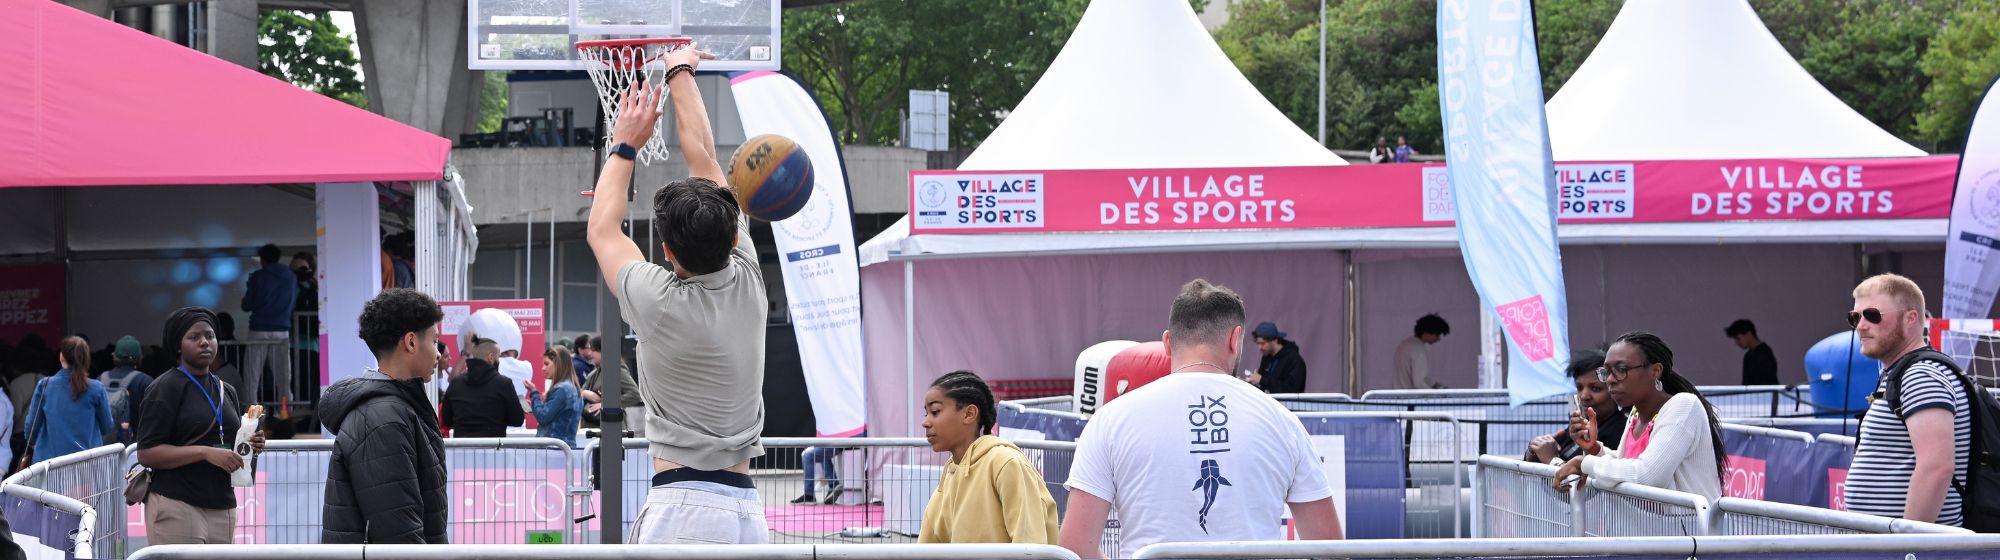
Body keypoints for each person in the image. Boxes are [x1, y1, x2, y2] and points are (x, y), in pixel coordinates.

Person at [583, 46, 771, 544]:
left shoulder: (658, 300)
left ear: (665, 250)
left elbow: (603, 229)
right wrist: (680, 69)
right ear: (734, 238)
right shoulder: (748, 277)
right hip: (748, 512)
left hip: (684, 504)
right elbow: (704, 160)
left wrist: (624, 144)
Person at [1059, 279, 1342, 559]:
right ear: (1235, 339)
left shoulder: (1111, 420)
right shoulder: (1282, 421)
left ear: (1167, 342)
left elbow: (1075, 547)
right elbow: (1330, 549)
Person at [319, 288, 449, 544]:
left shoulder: (394, 407)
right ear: (411, 342)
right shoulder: (383, 417)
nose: (438, 353)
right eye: (434, 341)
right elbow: (398, 534)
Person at [1846, 274, 1973, 526]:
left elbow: (1936, 468)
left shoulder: (1921, 376)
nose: (1860, 326)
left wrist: (1908, 546)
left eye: (1872, 315)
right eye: (1855, 317)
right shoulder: (1902, 373)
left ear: (1910, 318)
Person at [134, 307, 266, 544]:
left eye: (210, 335)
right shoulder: (164, 388)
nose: (205, 342)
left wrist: (251, 443)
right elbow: (146, 453)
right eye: (194, 337)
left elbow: (230, 442)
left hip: (222, 505)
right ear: (178, 345)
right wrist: (204, 453)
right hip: (177, 504)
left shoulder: (226, 390)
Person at [1553, 332, 1727, 503]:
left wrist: (1583, 463)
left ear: (1655, 371)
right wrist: (1594, 450)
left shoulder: (1684, 406)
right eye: (1606, 372)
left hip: (1688, 530)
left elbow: (1647, 476)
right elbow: (1624, 466)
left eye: (1621, 370)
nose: (1610, 380)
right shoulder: (1636, 413)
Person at [919, 371, 1058, 544]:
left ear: (969, 414)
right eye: (926, 413)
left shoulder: (1006, 462)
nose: (926, 422)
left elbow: (1030, 545)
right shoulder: (949, 477)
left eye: (935, 411)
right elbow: (927, 549)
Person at [1526, 348, 1628, 464]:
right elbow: (1541, 453)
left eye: (1595, 389)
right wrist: (1534, 450)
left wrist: (1552, 460)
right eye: (1579, 387)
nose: (1584, 396)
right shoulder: (1580, 426)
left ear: (1613, 389)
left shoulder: (1621, 431)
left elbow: (1586, 478)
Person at [23, 337, 115, 463]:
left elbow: (31, 430)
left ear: (61, 357)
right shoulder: (97, 388)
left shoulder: (45, 385)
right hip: (87, 465)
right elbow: (107, 427)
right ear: (86, 359)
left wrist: (37, 444)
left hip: (49, 466)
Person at [240, 243, 298, 406]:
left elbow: (247, 305)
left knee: (252, 376)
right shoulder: (291, 277)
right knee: (284, 376)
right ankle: (286, 413)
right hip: (282, 330)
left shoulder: (258, 276)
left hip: (259, 329)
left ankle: (252, 417)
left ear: (263, 259)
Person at [439, 338, 524, 438]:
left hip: (462, 449)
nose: (499, 361)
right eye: (498, 357)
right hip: (494, 448)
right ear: (491, 357)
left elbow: (446, 420)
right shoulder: (504, 384)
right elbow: (517, 420)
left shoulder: (456, 383)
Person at [527, 346, 583, 447]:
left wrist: (534, 393)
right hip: (564, 449)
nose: (543, 368)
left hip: (553, 451)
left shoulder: (562, 389)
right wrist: (536, 406)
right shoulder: (572, 388)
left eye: (547, 364)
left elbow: (543, 417)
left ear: (558, 364)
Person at [104, 336, 155, 445]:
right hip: (133, 449)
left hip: (104, 451)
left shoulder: (99, 380)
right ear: (139, 357)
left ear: (115, 356)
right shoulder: (145, 382)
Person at [1393, 314, 1450, 390]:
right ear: (1427, 332)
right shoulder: (1418, 349)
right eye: (1438, 334)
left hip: (1399, 396)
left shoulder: (1405, 344)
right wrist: (1433, 394)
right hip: (1411, 399)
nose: (1438, 339)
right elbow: (1419, 383)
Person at [1249, 321, 1307, 394]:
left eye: (1263, 343)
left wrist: (1261, 380)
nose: (1259, 347)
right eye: (1258, 343)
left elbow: (1292, 389)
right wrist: (1252, 383)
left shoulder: (1294, 359)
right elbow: (1263, 385)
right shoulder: (1266, 357)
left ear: (1275, 340)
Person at [1725, 319, 1779, 386]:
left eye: (1738, 338)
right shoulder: (1748, 356)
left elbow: (1766, 382)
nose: (1736, 342)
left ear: (1749, 334)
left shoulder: (1764, 353)